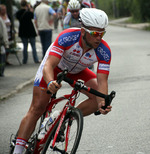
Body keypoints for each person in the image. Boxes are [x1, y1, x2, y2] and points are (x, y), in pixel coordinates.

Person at [13, 8, 112, 154]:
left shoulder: (104, 50)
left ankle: (62, 117)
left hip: (78, 71)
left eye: (102, 33)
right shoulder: (68, 37)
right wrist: (49, 82)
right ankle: (18, 150)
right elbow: (49, 65)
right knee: (38, 107)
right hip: (55, 67)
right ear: (83, 31)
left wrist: (103, 102)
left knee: (97, 98)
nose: (99, 38)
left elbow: (102, 82)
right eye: (95, 33)